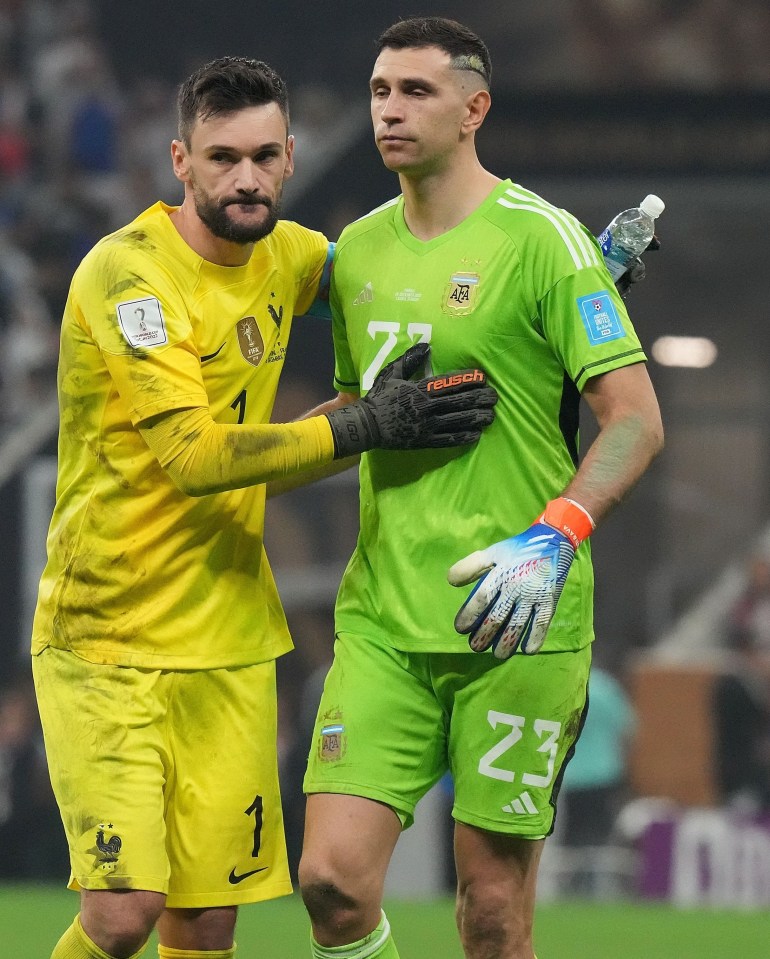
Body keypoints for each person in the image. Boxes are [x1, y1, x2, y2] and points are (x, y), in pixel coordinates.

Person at [29, 56, 497, 959]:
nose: (245, 177)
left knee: (205, 922)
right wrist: (360, 424)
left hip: (232, 640)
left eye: (264, 156)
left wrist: (573, 278)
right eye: (222, 157)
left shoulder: (290, 257)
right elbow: (197, 457)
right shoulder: (128, 277)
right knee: (124, 913)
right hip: (107, 639)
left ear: (290, 161)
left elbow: (417, 265)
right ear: (181, 161)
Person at [297, 17, 664, 959]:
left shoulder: (544, 241)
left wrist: (558, 533)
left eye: (416, 91)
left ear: (475, 108)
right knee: (331, 884)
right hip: (385, 615)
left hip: (517, 616)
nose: (389, 110)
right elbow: (355, 413)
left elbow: (635, 419)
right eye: (380, 91)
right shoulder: (357, 253)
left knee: (491, 913)